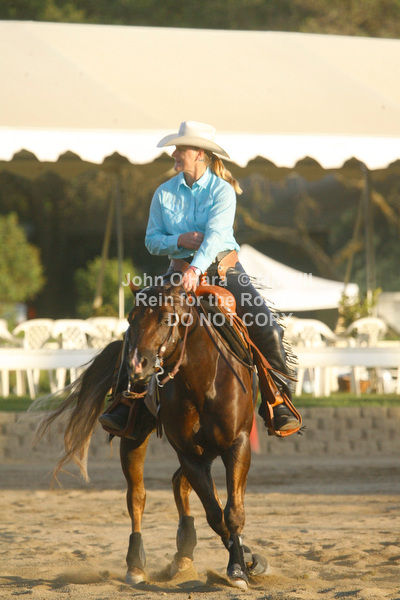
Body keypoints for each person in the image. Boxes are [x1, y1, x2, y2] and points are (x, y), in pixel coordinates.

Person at [100, 121, 300, 435]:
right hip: (179, 272)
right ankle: (127, 404)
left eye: (181, 149)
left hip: (223, 271)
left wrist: (196, 269)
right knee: (141, 323)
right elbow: (152, 240)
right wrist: (178, 240)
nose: (174, 154)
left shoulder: (222, 191)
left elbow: (216, 236)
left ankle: (279, 402)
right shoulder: (163, 193)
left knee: (268, 329)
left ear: (200, 154)